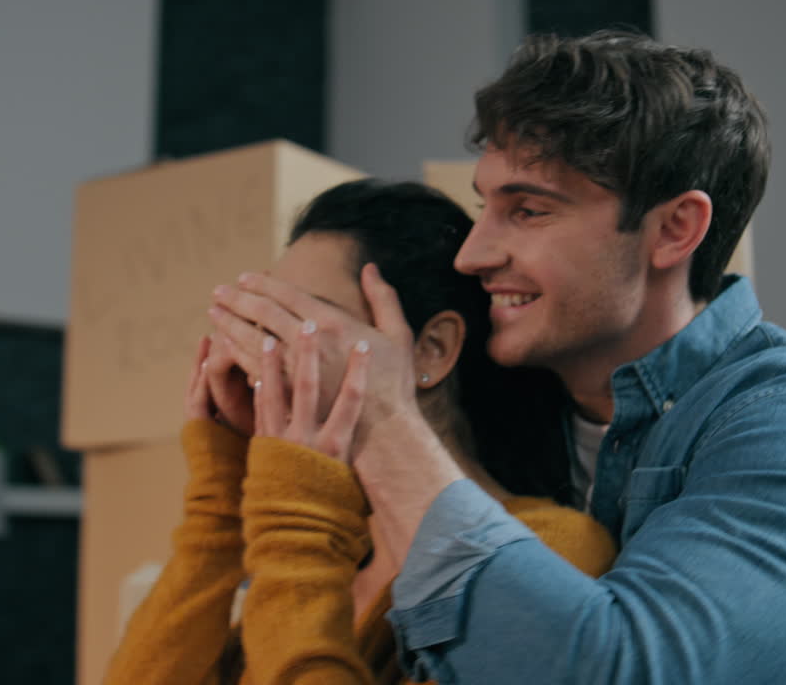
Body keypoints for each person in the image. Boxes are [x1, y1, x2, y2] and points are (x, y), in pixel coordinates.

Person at [209, 30, 786, 683]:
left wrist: (383, 418)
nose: (473, 252)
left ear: (674, 229)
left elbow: (621, 670)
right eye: (484, 206)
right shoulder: (519, 407)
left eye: (529, 210)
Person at [104, 179, 615, 684]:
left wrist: (295, 532)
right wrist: (222, 503)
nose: (265, 355)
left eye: (303, 325)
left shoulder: (551, 548)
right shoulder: (331, 566)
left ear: (430, 349)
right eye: (264, 324)